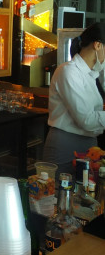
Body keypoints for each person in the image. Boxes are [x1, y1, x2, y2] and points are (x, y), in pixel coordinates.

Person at [43, 22, 105, 176]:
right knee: (59, 189)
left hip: (90, 145)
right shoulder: (68, 71)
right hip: (66, 145)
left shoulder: (92, 74)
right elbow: (87, 120)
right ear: (98, 45)